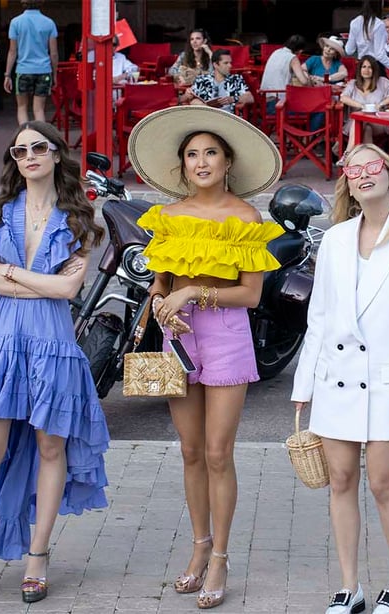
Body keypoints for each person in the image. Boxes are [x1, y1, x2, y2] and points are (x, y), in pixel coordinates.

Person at [0, 121, 108, 606]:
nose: (29, 156)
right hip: (0, 341)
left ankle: (38, 556)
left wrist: (11, 272)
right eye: (20, 151)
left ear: (56, 155)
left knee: (51, 448)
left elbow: (69, 288)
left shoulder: (79, 217)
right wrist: (37, 282)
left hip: (52, 342)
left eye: (39, 147)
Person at [128, 105, 284, 610]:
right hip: (177, 335)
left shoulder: (245, 218)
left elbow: (251, 296)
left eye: (210, 153)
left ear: (227, 162)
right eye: (192, 154)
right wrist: (162, 303)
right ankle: (198, 546)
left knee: (219, 453)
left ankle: (220, 556)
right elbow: (158, 284)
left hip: (226, 334)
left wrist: (194, 292)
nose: (201, 162)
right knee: (190, 451)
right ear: (182, 164)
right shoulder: (168, 217)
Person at [291, 143, 389, 614]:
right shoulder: (335, 239)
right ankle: (349, 587)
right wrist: (304, 385)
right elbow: (319, 317)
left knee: (382, 483)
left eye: (372, 165)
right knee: (339, 480)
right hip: (336, 378)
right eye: (352, 169)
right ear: (347, 185)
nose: (362, 174)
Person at [5, 0, 58, 125]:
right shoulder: (49, 23)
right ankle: (40, 136)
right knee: (39, 110)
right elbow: (54, 53)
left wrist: (7, 74)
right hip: (43, 70)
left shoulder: (15, 22)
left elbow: (12, 51)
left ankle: (25, 134)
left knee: (22, 107)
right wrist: (55, 74)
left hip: (23, 70)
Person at [340, 55, 389, 150]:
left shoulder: (383, 82)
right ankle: (369, 158)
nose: (366, 70)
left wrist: (380, 104)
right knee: (366, 128)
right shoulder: (353, 84)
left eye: (370, 67)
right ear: (359, 69)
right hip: (355, 123)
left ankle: (347, 153)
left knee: (362, 119)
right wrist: (362, 106)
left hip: (378, 122)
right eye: (364, 67)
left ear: (374, 69)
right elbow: (343, 98)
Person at [344, 0, 389, 76]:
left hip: (362, 65)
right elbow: (380, 55)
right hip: (375, 66)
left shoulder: (354, 22)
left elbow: (349, 50)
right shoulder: (378, 24)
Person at [183, 49, 253, 114]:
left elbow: (250, 98)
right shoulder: (202, 79)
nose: (230, 65)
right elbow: (184, 99)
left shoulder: (236, 79)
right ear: (215, 65)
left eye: (230, 63)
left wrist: (234, 99)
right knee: (195, 102)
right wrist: (187, 95)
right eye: (226, 63)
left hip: (228, 117)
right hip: (206, 116)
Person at [259, 34, 310, 115]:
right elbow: (304, 81)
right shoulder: (292, 58)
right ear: (300, 50)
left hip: (265, 102)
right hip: (279, 104)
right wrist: (308, 75)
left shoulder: (276, 52)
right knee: (311, 110)